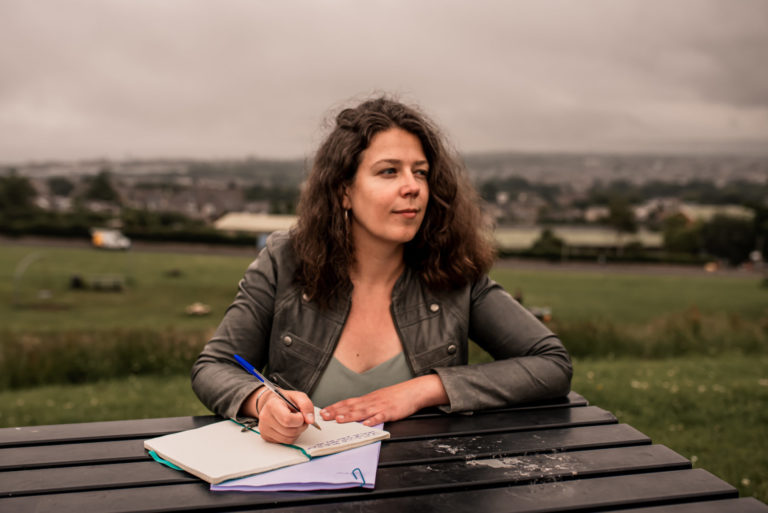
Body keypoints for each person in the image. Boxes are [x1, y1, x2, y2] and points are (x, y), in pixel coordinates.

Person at [191, 97, 572, 444]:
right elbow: (215, 366)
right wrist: (261, 402)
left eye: (420, 172)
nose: (413, 187)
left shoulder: (454, 270)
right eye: (389, 171)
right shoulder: (284, 260)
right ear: (343, 191)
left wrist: (425, 388)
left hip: (424, 490)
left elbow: (551, 364)